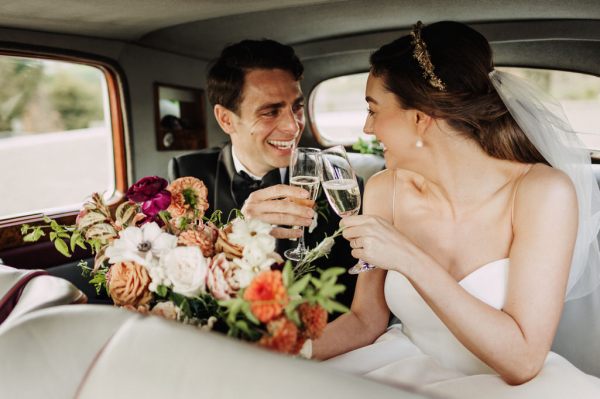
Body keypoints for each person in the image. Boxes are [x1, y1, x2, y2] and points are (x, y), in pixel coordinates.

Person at [310, 21, 600, 398]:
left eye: (374, 109)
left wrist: (409, 258)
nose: (367, 128)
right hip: (398, 367)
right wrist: (283, 350)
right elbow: (366, 320)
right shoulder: (384, 190)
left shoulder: (542, 193)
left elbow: (523, 362)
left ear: (419, 118)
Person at [168, 39, 358, 308]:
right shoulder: (189, 177)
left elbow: (350, 294)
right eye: (271, 112)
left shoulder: (338, 182)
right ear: (226, 119)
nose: (293, 127)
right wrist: (238, 233)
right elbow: (182, 284)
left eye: (297, 107)